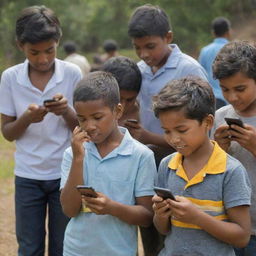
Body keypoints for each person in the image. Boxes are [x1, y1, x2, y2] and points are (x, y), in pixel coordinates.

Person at [0, 6, 82, 256]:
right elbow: (8, 132)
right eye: (34, 53)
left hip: (65, 175)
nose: (43, 59)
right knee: (29, 246)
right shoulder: (10, 78)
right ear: (20, 46)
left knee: (62, 245)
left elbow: (83, 127)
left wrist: (66, 111)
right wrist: (27, 117)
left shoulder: (72, 74)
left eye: (50, 50)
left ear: (58, 42)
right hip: (28, 175)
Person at [128, 4, 208, 255]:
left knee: (179, 226)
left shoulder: (189, 69)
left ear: (168, 38)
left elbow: (202, 128)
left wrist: (148, 137)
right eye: (137, 47)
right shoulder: (139, 71)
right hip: (146, 162)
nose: (143, 53)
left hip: (182, 162)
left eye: (150, 46)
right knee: (151, 222)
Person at [60, 71, 157, 256]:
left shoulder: (140, 155)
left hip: (120, 251)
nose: (89, 126)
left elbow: (146, 216)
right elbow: (69, 210)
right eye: (82, 119)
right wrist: (78, 159)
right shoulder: (73, 154)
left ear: (117, 111)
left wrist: (112, 208)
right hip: (76, 251)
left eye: (97, 117)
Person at [152, 76, 251, 256]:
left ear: (208, 122)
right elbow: (164, 230)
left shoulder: (230, 171)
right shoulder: (167, 165)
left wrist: (197, 217)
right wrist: (160, 214)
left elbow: (242, 236)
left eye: (182, 130)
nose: (174, 139)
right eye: (166, 131)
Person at [212, 40, 256, 256]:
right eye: (224, 89)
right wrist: (219, 150)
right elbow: (213, 170)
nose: (232, 97)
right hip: (230, 225)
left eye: (240, 89)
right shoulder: (221, 116)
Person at [102, 56, 141, 135]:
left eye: (130, 100)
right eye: (119, 99)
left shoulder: (138, 112)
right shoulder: (92, 109)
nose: (122, 106)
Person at [199, 17, 232, 109]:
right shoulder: (233, 49)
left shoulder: (204, 51)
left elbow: (201, 77)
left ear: (213, 33)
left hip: (212, 100)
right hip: (230, 99)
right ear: (229, 32)